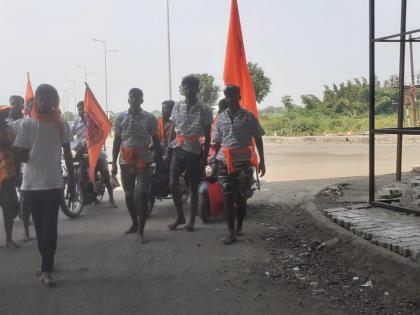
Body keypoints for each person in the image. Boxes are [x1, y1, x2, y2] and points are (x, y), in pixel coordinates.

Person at [14, 84, 74, 287]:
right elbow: (20, 155)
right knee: (40, 228)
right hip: (31, 185)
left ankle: (47, 270)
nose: (44, 101)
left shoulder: (62, 125)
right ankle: (46, 263)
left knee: (51, 227)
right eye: (41, 97)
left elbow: (67, 153)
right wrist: (20, 153)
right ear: (36, 100)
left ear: (55, 101)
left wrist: (72, 180)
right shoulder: (27, 125)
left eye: (49, 97)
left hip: (54, 184)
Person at [214, 85, 266, 245]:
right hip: (224, 161)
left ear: (239, 97)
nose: (230, 99)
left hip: (243, 162)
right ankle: (231, 233)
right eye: (227, 96)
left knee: (241, 196)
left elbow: (258, 138)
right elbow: (217, 142)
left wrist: (262, 161)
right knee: (228, 196)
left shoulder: (248, 116)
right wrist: (213, 160)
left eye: (233, 95)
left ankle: (239, 226)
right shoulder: (220, 118)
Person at [112, 88, 162, 243]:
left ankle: (141, 229)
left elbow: (156, 141)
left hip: (144, 161)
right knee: (128, 194)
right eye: (131, 97)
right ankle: (134, 222)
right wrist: (113, 163)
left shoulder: (150, 118)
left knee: (141, 194)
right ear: (128, 100)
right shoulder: (120, 118)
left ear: (142, 100)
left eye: (137, 97)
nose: (134, 99)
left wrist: (159, 160)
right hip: (125, 161)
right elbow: (116, 141)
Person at [169, 75, 213, 231]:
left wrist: (205, 158)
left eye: (192, 87)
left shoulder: (205, 109)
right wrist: (169, 148)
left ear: (197, 88)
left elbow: (208, 136)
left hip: (194, 150)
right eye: (186, 87)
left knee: (193, 186)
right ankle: (180, 216)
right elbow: (173, 129)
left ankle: (191, 221)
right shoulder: (177, 106)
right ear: (183, 89)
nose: (188, 90)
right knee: (172, 183)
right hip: (178, 148)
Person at [72, 101, 116, 207]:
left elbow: (99, 134)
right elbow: (70, 135)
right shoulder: (76, 122)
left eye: (82, 109)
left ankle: (111, 198)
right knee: (74, 171)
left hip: (95, 151)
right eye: (78, 109)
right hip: (80, 151)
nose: (80, 111)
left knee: (104, 172)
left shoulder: (93, 122)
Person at [0, 106, 20, 249]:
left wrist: (18, 172)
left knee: (11, 207)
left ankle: (8, 239)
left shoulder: (10, 130)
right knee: (9, 206)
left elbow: (16, 150)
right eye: (4, 114)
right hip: (6, 175)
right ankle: (8, 239)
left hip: (8, 174)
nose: (6, 116)